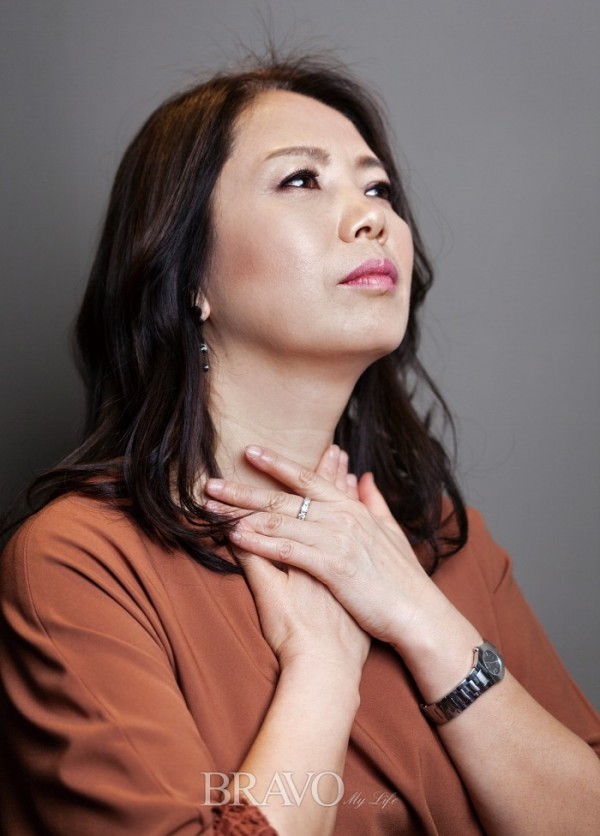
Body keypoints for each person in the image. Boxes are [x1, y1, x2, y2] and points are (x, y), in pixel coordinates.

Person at [0, 51, 598, 836]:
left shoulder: (442, 541)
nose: (371, 217)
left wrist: (428, 624)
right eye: (302, 180)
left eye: (377, 188)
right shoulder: (80, 563)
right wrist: (322, 672)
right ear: (188, 273)